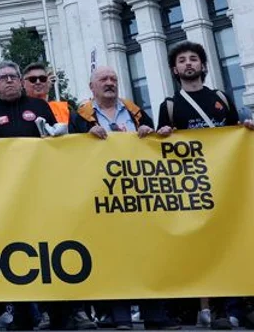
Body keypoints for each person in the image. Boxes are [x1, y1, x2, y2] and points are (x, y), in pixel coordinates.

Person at [157, 42, 254, 331]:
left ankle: (251, 307)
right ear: (175, 70)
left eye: (194, 59)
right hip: (196, 189)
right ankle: (217, 308)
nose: (189, 64)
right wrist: (163, 135)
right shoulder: (171, 106)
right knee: (207, 248)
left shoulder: (222, 98)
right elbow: (162, 149)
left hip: (230, 185)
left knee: (239, 242)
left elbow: (238, 134)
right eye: (183, 60)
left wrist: (247, 129)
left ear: (203, 65)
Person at [74, 68, 179, 331]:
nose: (110, 84)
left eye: (113, 80)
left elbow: (153, 147)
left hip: (137, 194)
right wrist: (86, 139)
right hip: (102, 196)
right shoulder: (80, 117)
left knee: (148, 253)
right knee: (113, 255)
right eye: (104, 80)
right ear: (92, 86)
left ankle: (155, 315)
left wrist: (150, 133)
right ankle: (119, 316)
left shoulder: (137, 112)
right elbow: (71, 152)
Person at [0, 62, 57, 332]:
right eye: (2, 78)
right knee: (17, 256)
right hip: (8, 197)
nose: (8, 81)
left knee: (47, 253)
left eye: (12, 76)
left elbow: (58, 142)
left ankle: (55, 313)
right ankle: (21, 315)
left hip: (41, 192)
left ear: (20, 81)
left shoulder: (40, 108)